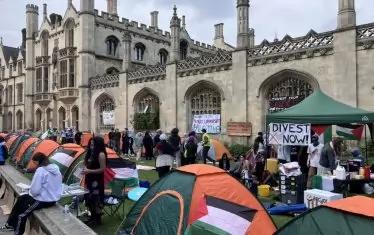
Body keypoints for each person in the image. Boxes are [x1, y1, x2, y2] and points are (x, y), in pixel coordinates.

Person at [0, 153, 62, 234]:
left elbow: (35, 190)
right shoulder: (55, 168)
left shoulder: (41, 171)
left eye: (35, 163)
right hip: (52, 197)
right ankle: (10, 225)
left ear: (39, 162)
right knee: (21, 198)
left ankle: (18, 232)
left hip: (43, 200)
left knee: (21, 215)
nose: (35, 165)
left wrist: (30, 191)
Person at [83, 136, 107, 225]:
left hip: (97, 179)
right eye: (90, 144)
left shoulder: (101, 154)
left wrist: (89, 171)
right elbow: (89, 164)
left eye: (93, 144)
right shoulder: (91, 153)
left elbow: (102, 169)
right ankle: (92, 217)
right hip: (89, 178)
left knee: (96, 198)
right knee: (89, 197)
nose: (91, 146)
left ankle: (97, 219)